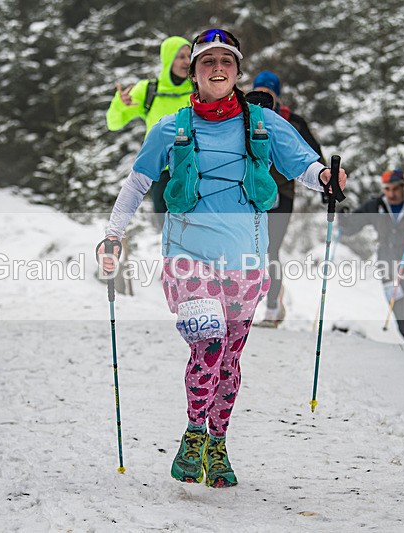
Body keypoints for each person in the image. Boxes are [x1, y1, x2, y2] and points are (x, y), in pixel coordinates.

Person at [97, 28, 346, 488]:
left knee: (228, 361)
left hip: (247, 264)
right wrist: (113, 234)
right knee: (208, 342)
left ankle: (218, 442)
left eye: (226, 61)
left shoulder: (263, 124)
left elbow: (304, 166)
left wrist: (326, 176)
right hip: (186, 258)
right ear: (193, 72)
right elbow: (136, 184)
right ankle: (194, 432)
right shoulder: (171, 127)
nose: (217, 68)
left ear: (237, 71)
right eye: (207, 60)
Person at [249, 71, 326, 328]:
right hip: (250, 194)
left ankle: (272, 309)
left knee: (271, 250)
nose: (264, 96)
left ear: (277, 95)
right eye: (260, 90)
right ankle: (245, 304)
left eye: (269, 92)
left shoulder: (292, 121)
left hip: (282, 193)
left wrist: (327, 185)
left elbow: (312, 154)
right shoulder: (245, 116)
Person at [340, 169, 404, 347]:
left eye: (395, 189)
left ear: (403, 187)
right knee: (397, 309)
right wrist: (342, 217)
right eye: (387, 189)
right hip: (387, 267)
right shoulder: (377, 206)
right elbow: (350, 228)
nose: (391, 194)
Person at [106, 36, 193, 226]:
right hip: (162, 171)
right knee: (169, 232)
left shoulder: (200, 89)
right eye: (180, 57)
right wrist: (119, 104)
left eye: (189, 56)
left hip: (195, 169)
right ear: (168, 59)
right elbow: (113, 123)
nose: (187, 61)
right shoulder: (148, 90)